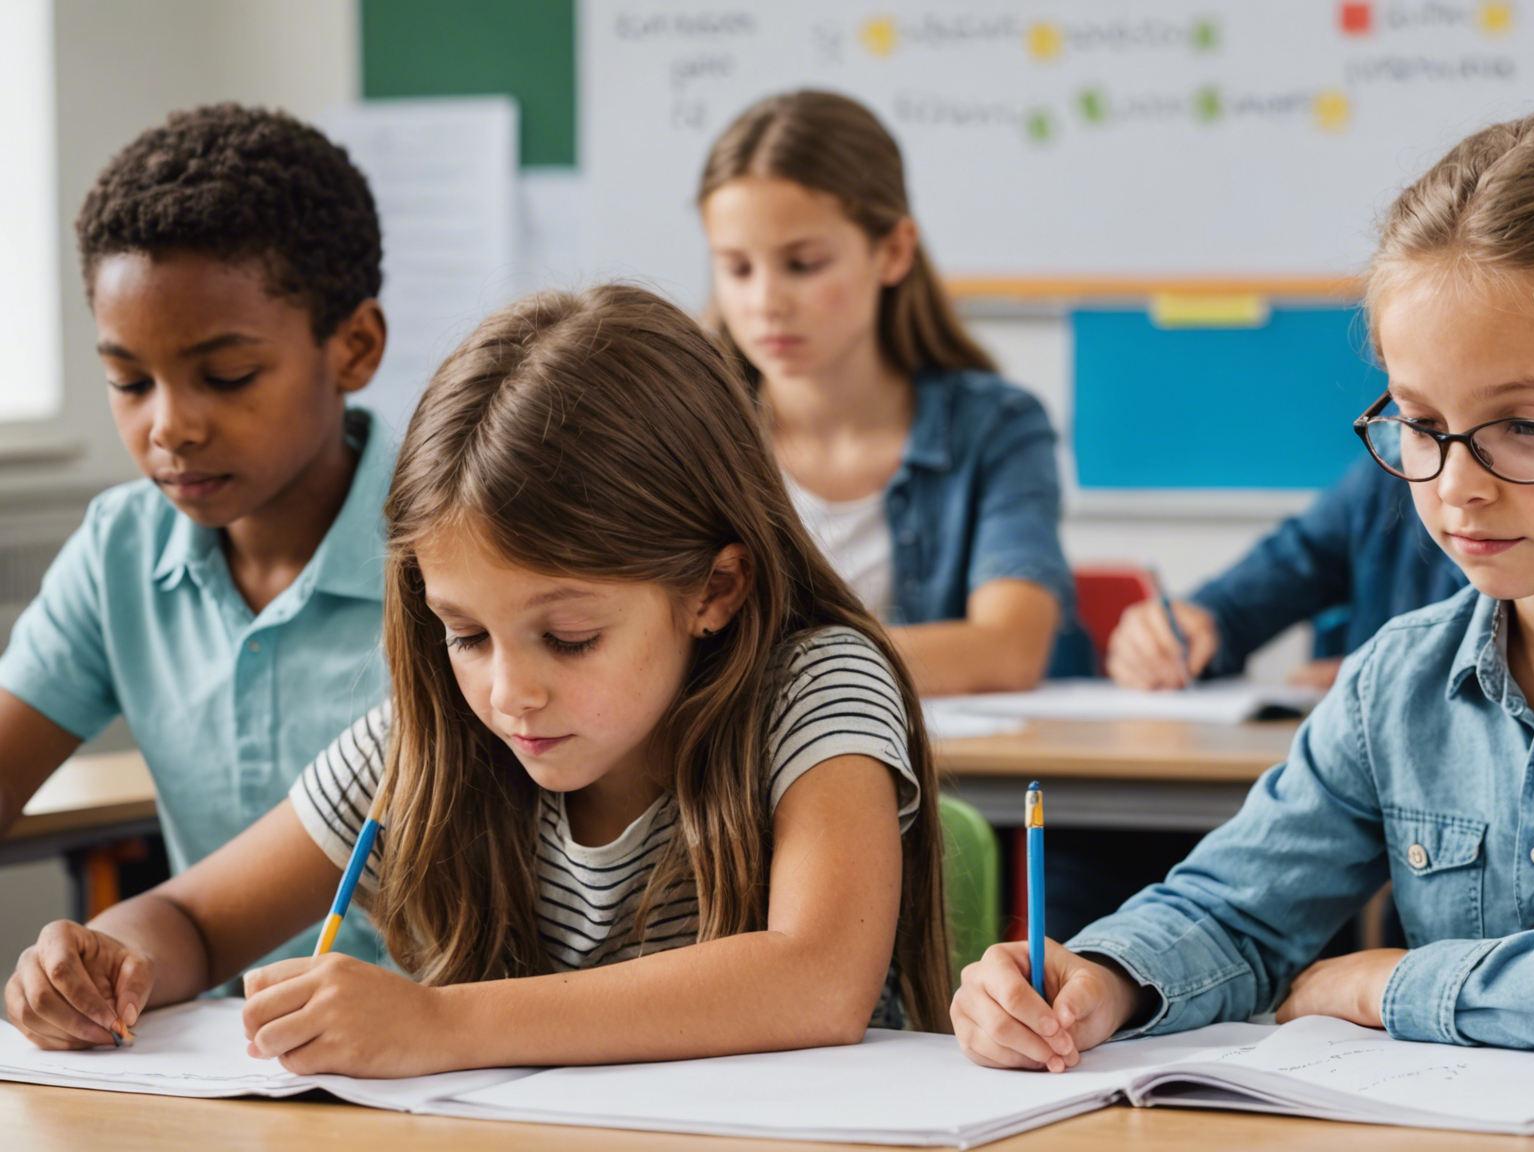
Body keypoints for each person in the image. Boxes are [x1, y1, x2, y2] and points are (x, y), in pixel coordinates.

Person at [953, 107, 1534, 1071]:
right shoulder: (1398, 678)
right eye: (1419, 421)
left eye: (1528, 425)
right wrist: (1098, 980)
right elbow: (1234, 907)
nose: (1456, 484)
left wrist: (1387, 983)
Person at [6, 286, 949, 1075]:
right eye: (465, 635)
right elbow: (192, 920)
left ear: (715, 588)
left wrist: (445, 1025)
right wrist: (106, 960)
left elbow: (815, 979)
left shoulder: (815, 685)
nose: (509, 692)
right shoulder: (428, 743)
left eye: (570, 638)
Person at [0, 104, 394, 971]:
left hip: (462, 1052)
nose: (170, 427)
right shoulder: (123, 550)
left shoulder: (466, 543)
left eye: (227, 376)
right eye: (128, 381)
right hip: (227, 1059)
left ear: (354, 347)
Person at [698, 89, 1089, 695]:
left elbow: (1009, 650)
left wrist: (775, 665)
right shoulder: (689, 429)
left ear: (894, 251)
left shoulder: (997, 427)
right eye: (737, 268)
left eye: (803, 264)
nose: (764, 303)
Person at [1107, 458, 1467, 692]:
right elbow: (1295, 558)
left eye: (1519, 426)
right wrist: (1195, 624)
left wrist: (1395, 675)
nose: (1455, 486)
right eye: (1423, 423)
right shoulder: (1386, 470)